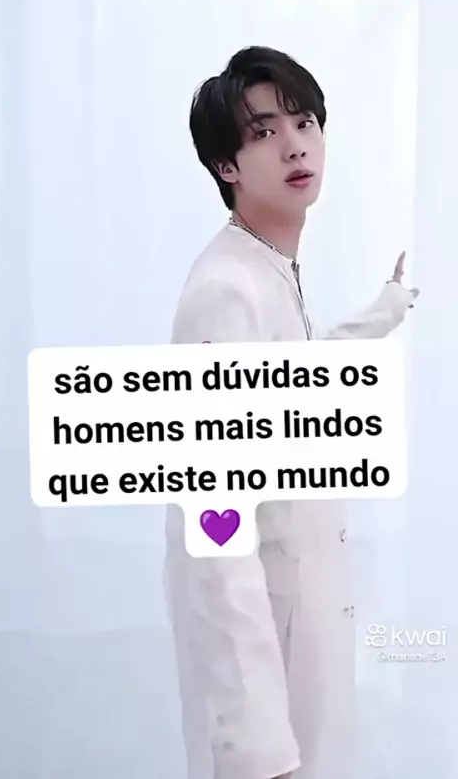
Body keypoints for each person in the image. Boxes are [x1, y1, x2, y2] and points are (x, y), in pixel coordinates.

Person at [164, 46, 419, 779]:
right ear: (227, 166)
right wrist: (257, 745)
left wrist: (383, 312)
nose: (296, 145)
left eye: (304, 122)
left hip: (303, 636)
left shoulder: (267, 268)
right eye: (264, 132)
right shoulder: (226, 292)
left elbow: (289, 385)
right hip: (271, 680)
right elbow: (213, 529)